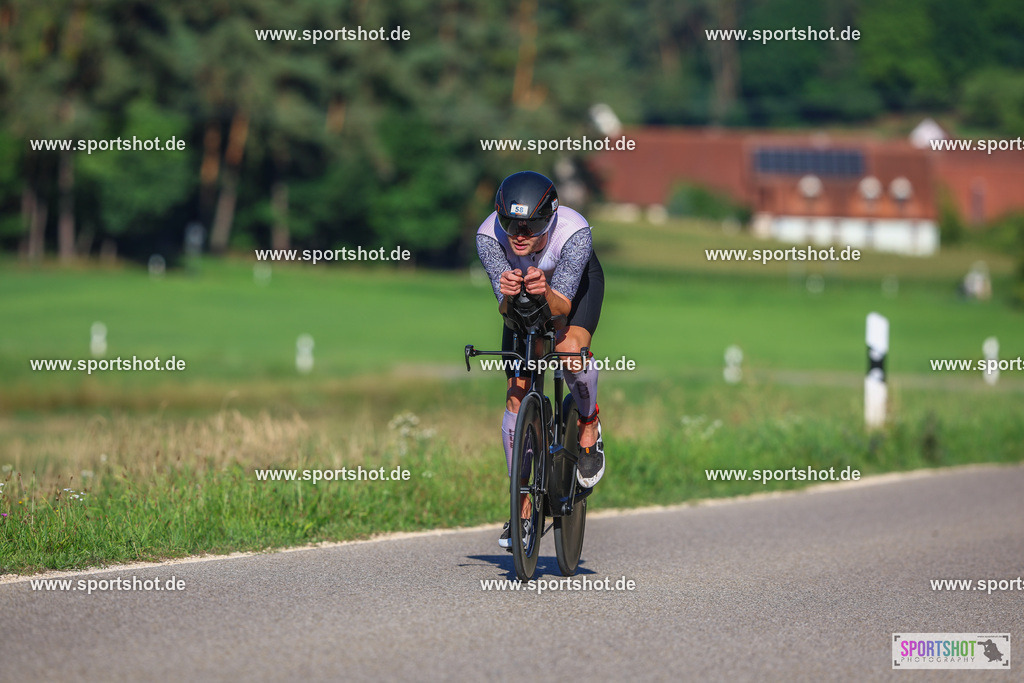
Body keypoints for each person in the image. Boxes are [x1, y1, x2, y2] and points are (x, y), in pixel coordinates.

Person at [475, 170, 605, 548]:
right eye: (511, 224)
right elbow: (504, 310)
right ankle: (522, 506)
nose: (519, 235)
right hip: (524, 301)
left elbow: (561, 308)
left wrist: (544, 288)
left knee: (568, 351)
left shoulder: (574, 232)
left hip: (571, 291)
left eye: (530, 227)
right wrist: (508, 295)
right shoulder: (487, 237)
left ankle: (588, 423)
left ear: (549, 219)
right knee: (517, 390)